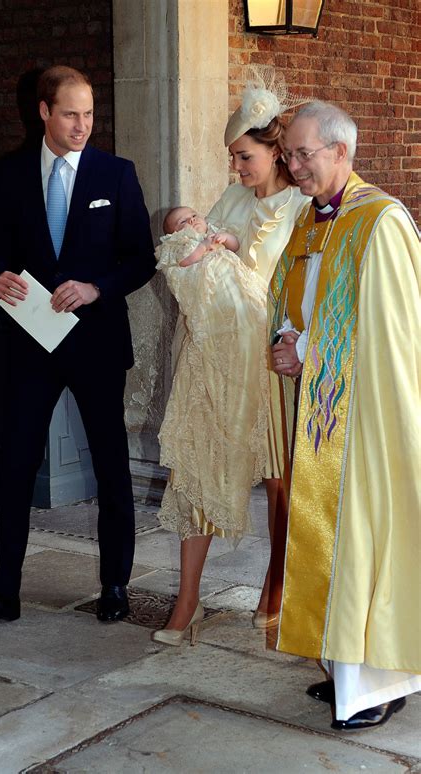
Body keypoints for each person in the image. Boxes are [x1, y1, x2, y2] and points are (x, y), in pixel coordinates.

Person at [0, 65, 155, 631]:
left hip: (96, 343)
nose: (82, 125)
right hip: (28, 343)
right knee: (15, 466)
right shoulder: (3, 176)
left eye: (89, 114)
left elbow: (140, 258)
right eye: (70, 113)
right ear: (43, 111)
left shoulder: (116, 175)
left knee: (112, 465)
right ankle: (5, 592)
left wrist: (97, 288)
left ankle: (115, 585)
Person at [268, 100, 420, 730]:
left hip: (365, 420)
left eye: (305, 153)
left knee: (360, 542)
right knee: (326, 541)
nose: (295, 166)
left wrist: (308, 352)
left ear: (341, 152)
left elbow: (390, 332)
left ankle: (376, 685)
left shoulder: (380, 221)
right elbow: (293, 293)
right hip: (322, 410)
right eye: (290, 154)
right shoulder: (312, 219)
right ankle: (343, 673)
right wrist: (285, 336)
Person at [152, 66, 310, 646]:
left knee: (280, 483)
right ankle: (187, 601)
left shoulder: (299, 204)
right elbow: (199, 249)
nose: (236, 168)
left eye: (245, 157)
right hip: (222, 356)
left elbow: (278, 277)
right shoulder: (232, 197)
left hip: (271, 361)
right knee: (197, 470)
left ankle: (278, 587)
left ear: (274, 152)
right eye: (233, 158)